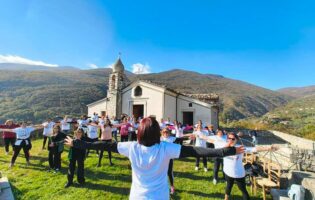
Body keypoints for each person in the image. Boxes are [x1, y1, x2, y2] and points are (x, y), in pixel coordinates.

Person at [64, 117, 244, 200]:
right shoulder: (166, 148)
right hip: (159, 196)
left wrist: (78, 143)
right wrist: (226, 151)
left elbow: (103, 145)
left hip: (137, 196)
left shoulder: (131, 147)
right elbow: (196, 151)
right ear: (157, 132)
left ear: (140, 132)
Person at [201, 132, 278, 200]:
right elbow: (211, 140)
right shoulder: (223, 144)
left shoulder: (240, 148)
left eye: (233, 139)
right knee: (229, 186)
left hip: (238, 173)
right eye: (229, 138)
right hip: (228, 172)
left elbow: (255, 149)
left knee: (243, 189)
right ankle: (226, 198)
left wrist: (269, 148)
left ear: (236, 140)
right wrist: (200, 136)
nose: (230, 140)